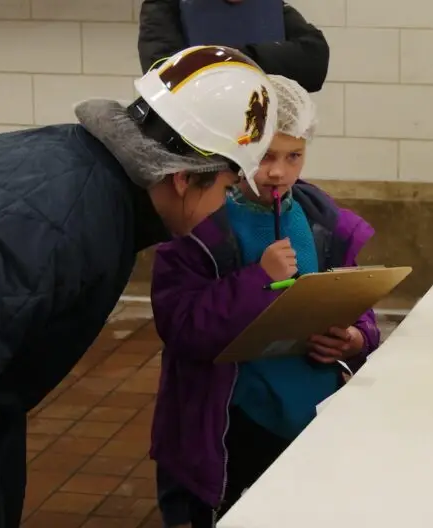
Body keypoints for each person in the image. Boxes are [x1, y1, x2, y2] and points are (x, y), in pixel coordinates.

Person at [0, 45, 277, 528]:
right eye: (227, 190)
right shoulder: (69, 224)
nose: (226, 208)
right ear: (182, 178)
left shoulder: (78, 163)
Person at [149, 74, 380, 528]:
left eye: (293, 156)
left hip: (310, 413)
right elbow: (182, 327)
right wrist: (259, 279)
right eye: (264, 156)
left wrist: (356, 338)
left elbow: (353, 299)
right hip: (230, 422)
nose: (278, 171)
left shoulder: (321, 220)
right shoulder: (199, 222)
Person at [138, 0, 329, 92]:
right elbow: (167, 75)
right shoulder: (165, 6)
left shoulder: (268, 7)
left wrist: (232, 56)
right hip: (196, 145)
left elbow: (314, 62)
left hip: (267, 140)